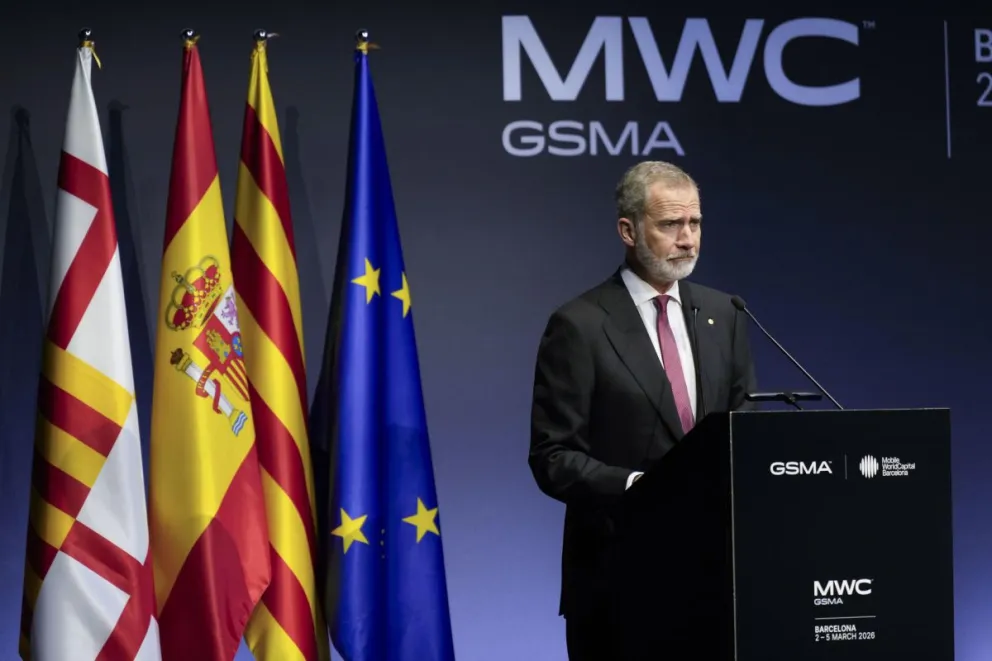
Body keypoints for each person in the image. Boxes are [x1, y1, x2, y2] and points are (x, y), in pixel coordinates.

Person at [528, 160, 757, 660]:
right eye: (670, 224)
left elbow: (744, 430)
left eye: (694, 223)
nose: (688, 239)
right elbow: (553, 456)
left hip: (717, 581)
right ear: (628, 231)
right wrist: (640, 487)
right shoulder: (580, 325)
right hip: (619, 584)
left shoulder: (725, 314)